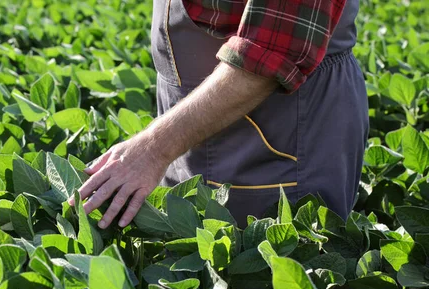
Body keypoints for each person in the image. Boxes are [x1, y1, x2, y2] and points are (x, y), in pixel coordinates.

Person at [69, 0, 369, 229]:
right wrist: (160, 148)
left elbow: (271, 54)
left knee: (269, 276)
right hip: (184, 133)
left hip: (284, 132)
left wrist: (151, 150)